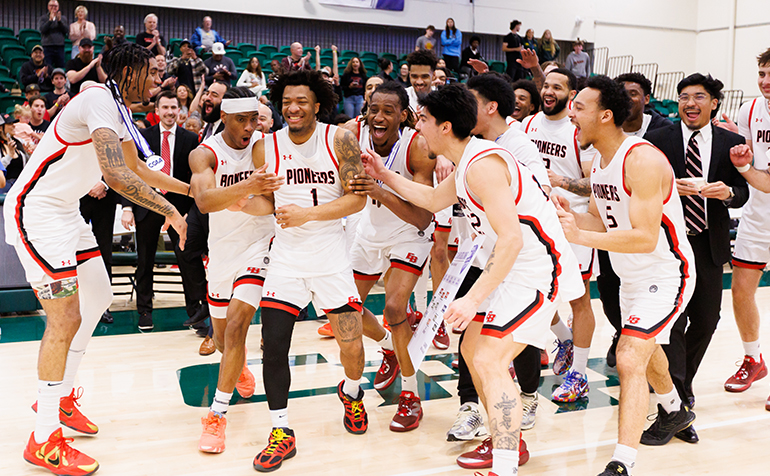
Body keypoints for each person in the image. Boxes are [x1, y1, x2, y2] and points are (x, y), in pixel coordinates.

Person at [364, 82, 583, 476]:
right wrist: (383, 175)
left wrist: (471, 298)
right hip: (509, 267)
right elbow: (432, 200)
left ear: (445, 127)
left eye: (424, 120)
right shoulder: (468, 160)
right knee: (471, 351)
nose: (418, 128)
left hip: (534, 268)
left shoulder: (482, 165)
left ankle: (504, 464)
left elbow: (513, 239)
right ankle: (507, 440)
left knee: (488, 357)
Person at [4, 42, 190, 476]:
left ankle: (62, 397)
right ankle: (44, 437)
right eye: (151, 72)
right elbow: (116, 174)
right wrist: (169, 211)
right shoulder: (96, 99)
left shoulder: (118, 110)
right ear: (127, 73)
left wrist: (190, 192)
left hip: (68, 212)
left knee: (98, 294)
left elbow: (139, 169)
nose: (157, 80)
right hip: (37, 211)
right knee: (65, 317)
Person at [556, 75, 695, 476]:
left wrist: (580, 234)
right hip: (631, 276)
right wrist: (569, 217)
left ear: (606, 115)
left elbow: (647, 237)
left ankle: (622, 463)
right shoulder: (598, 162)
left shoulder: (642, 160)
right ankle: (673, 410)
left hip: (668, 273)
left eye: (579, 107)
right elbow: (601, 221)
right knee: (647, 352)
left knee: (629, 355)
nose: (571, 113)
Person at [251, 69, 369, 471]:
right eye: (286, 102)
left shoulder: (340, 139)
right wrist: (241, 202)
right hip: (286, 260)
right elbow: (267, 203)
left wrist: (308, 215)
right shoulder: (266, 147)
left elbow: (356, 202)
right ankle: (281, 431)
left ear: (317, 105)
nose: (292, 108)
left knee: (351, 346)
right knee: (273, 346)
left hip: (332, 260)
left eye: (301, 101)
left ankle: (352, 393)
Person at [642, 73, 747, 445]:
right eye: (684, 96)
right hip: (668, 245)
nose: (690, 103)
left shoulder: (732, 142)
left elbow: (743, 193)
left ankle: (678, 398)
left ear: (714, 103)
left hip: (707, 244)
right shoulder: (657, 140)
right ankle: (676, 405)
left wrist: (727, 193)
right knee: (672, 325)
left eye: (699, 96)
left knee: (706, 319)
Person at [449, 74, 549, 454]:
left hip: (523, 260)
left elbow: (535, 200)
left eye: (469, 101)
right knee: (476, 349)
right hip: (490, 251)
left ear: (490, 107)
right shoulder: (476, 149)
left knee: (496, 354)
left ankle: (519, 414)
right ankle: (497, 428)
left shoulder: (513, 147)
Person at [191, 87, 282, 454]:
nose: (249, 127)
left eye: (254, 119)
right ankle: (237, 367)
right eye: (241, 120)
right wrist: (245, 190)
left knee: (239, 323)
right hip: (222, 252)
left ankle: (216, 416)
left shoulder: (263, 147)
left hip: (260, 246)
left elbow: (270, 205)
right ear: (224, 118)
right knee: (224, 340)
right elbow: (204, 200)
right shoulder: (205, 153)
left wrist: (245, 202)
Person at [343, 82, 436, 431]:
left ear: (403, 115)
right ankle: (388, 347)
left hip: (408, 234)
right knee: (344, 308)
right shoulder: (351, 134)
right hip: (369, 231)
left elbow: (422, 216)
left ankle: (411, 396)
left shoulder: (417, 147)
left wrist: (379, 188)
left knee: (396, 309)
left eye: (388, 111)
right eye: (374, 109)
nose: (379, 117)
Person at [522, 69, 598, 403]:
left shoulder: (579, 130)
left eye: (558, 86)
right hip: (538, 222)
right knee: (534, 291)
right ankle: (563, 338)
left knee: (578, 299)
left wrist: (563, 183)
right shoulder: (527, 125)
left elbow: (596, 182)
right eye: (546, 85)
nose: (549, 91)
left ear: (571, 94)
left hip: (574, 221)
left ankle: (579, 373)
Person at [597, 72, 674, 365]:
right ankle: (623, 332)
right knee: (608, 292)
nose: (626, 98)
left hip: (654, 248)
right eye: (621, 93)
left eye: (632, 93)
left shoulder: (656, 139)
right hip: (615, 233)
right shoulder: (602, 149)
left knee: (635, 353)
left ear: (646, 99)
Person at [118, 90, 200, 331]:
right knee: (145, 260)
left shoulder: (190, 139)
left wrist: (191, 211)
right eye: (165, 108)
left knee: (187, 259)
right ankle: (144, 311)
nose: (170, 112)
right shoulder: (142, 137)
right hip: (148, 205)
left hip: (180, 209)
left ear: (179, 111)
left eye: (174, 108)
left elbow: (194, 178)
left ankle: (195, 311)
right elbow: (130, 173)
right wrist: (128, 206)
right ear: (157, 111)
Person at [720, 48, 770, 407]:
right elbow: (749, 153)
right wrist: (734, 140)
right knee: (740, 291)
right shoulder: (750, 109)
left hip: (762, 192)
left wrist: (742, 168)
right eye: (762, 74)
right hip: (757, 215)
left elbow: (764, 179)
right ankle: (753, 360)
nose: (765, 82)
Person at [0, 113, 29, 193]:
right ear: (0, 128)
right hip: (4, 188)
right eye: (9, 124)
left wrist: (29, 153)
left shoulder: (19, 142)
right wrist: (9, 155)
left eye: (13, 123)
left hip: (19, 186)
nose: (14, 126)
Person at [38, 0, 68, 69]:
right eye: (51, 6)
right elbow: (42, 30)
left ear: (58, 7)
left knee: (60, 67)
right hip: (47, 46)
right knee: (47, 67)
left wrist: (59, 21)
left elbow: (66, 30)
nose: (53, 8)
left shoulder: (63, 18)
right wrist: (50, 21)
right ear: (48, 7)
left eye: (55, 6)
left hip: (59, 46)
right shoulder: (44, 18)